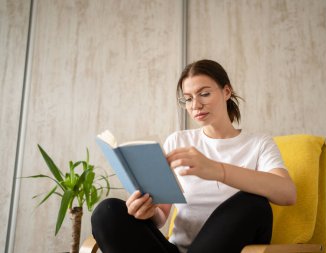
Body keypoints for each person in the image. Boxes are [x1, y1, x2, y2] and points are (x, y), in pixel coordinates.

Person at [91, 59, 296, 253]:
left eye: (204, 94)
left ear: (227, 91)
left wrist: (217, 170)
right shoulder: (178, 141)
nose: (195, 105)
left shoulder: (259, 143)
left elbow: (287, 194)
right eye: (188, 99)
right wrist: (148, 210)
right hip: (175, 249)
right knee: (107, 212)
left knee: (254, 203)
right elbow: (162, 216)